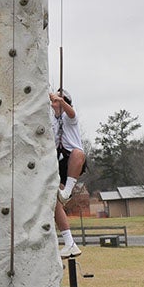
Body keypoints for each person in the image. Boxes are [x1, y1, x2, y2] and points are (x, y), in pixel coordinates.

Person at [50, 89, 86, 259]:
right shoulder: (53, 120)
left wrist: (61, 102)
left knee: (79, 152)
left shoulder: (69, 117)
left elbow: (71, 113)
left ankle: (67, 191)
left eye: (57, 101)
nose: (53, 104)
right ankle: (69, 242)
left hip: (72, 158)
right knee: (55, 202)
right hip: (59, 161)